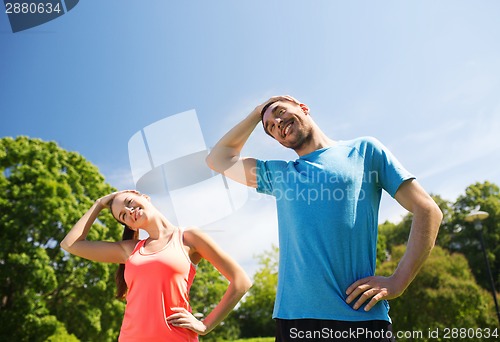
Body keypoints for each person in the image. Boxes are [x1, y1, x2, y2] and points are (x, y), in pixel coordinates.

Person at [206, 95, 443, 341]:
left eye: (279, 111)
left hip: (361, 319)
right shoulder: (280, 175)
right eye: (270, 128)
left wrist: (398, 281)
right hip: (295, 323)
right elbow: (218, 159)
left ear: (303, 108)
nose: (276, 123)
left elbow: (428, 210)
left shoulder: (364, 151)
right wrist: (257, 113)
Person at [60, 189, 252, 342]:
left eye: (129, 203)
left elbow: (241, 281)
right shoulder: (129, 250)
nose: (129, 211)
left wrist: (205, 325)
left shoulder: (188, 238)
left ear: (144, 197)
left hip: (176, 338)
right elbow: (71, 244)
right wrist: (99, 203)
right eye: (123, 216)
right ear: (131, 227)